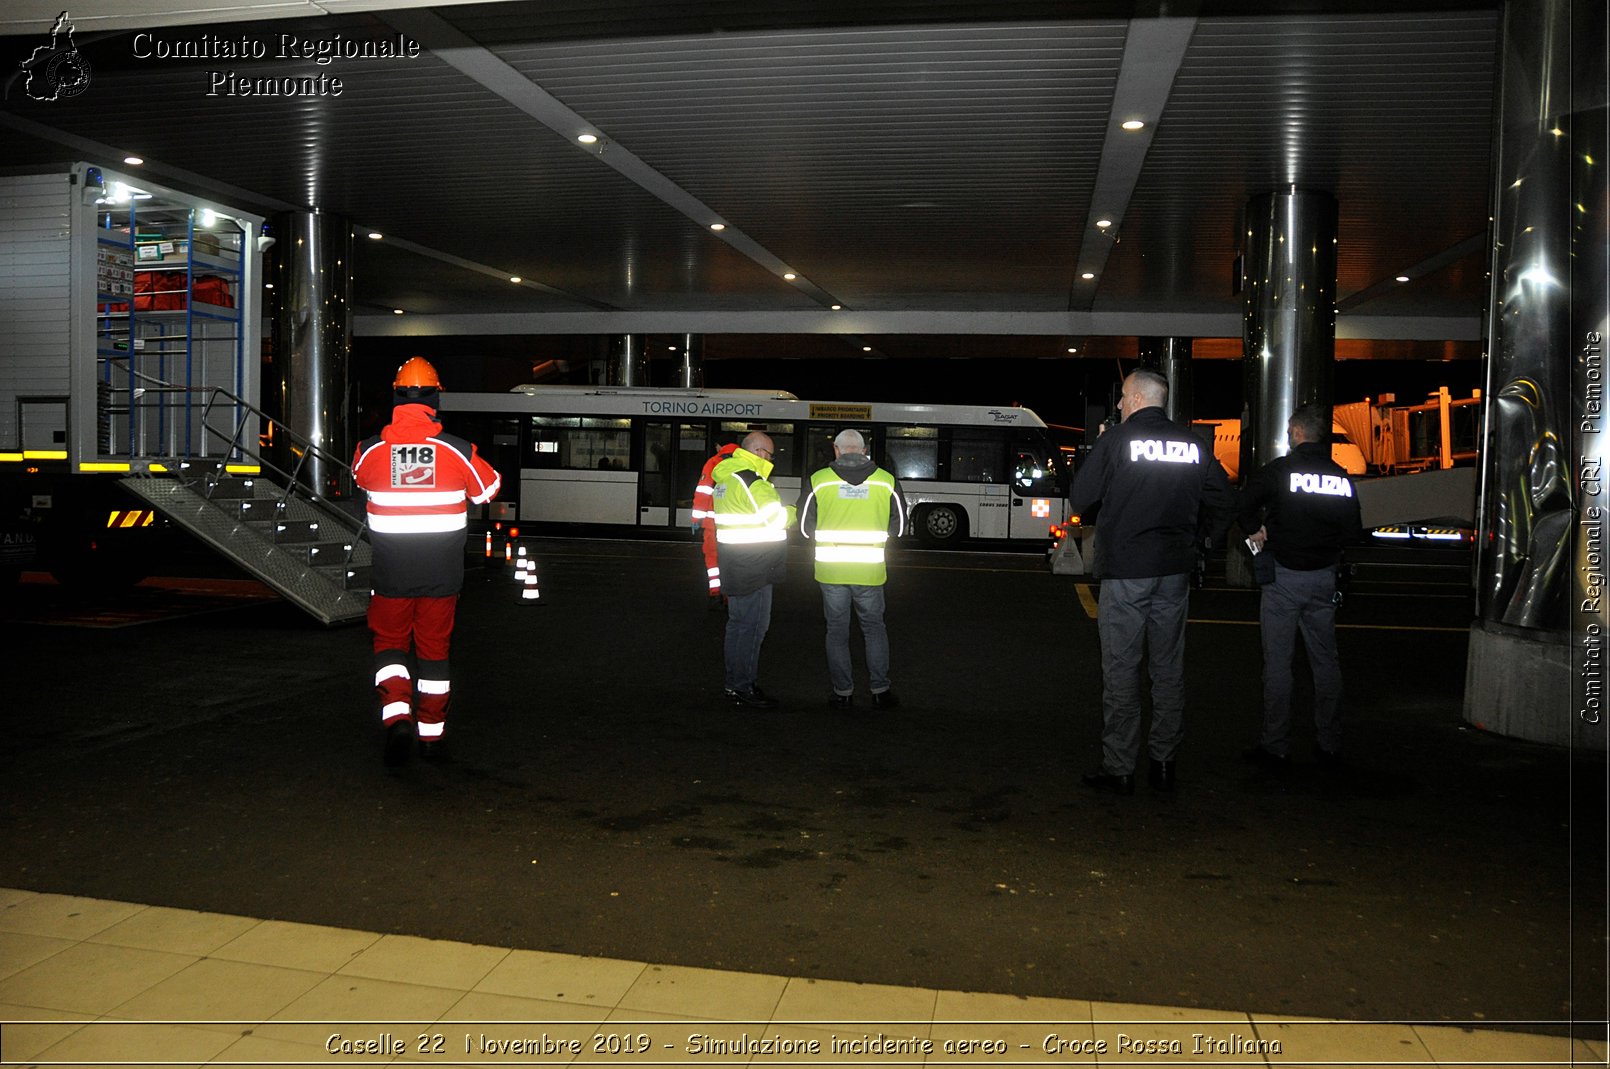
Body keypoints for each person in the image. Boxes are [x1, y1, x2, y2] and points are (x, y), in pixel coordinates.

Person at [1069, 369, 1233, 794]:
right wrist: (1203, 546)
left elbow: (1081, 497)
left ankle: (1120, 767)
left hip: (1127, 571)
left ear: (1139, 398)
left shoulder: (1118, 440)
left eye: (1124, 398)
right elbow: (1222, 501)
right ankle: (1164, 763)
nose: (1120, 405)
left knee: (1122, 669)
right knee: (1168, 669)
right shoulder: (1195, 444)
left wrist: (1103, 448)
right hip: (1175, 571)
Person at [352, 357, 502, 766]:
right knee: (434, 652)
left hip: (390, 575)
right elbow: (489, 490)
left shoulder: (369, 451)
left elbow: (360, 479)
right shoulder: (459, 450)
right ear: (436, 398)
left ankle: (397, 716)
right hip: (442, 576)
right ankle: (431, 735)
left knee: (390, 645)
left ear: (396, 395)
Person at [1237, 404, 1364, 768]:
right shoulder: (1340, 477)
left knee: (1278, 664)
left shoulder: (1282, 471)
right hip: (1323, 577)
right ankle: (1329, 743)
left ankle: (1276, 743)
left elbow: (1243, 501)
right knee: (1326, 663)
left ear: (1295, 432)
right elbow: (1353, 531)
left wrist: (1254, 529)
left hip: (1284, 578)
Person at [799, 429, 908, 710]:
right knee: (873, 630)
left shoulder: (819, 480)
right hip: (869, 572)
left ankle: (842, 693)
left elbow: (804, 528)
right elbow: (899, 527)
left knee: (836, 631)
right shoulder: (886, 480)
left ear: (836, 449)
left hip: (831, 571)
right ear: (863, 450)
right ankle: (880, 691)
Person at [710, 431, 795, 708]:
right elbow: (776, 519)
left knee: (737, 627)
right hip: (755, 566)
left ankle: (734, 685)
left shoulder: (725, 479)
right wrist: (795, 510)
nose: (771, 460)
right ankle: (742, 688)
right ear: (758, 453)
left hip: (734, 563)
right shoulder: (751, 480)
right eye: (770, 455)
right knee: (752, 629)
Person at [690, 442, 738, 608]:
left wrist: (696, 519)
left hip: (713, 524)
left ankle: (715, 592)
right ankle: (730, 596)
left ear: (718, 446)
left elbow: (703, 492)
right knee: (733, 560)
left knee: (713, 559)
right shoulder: (744, 461)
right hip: (736, 525)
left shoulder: (713, 462)